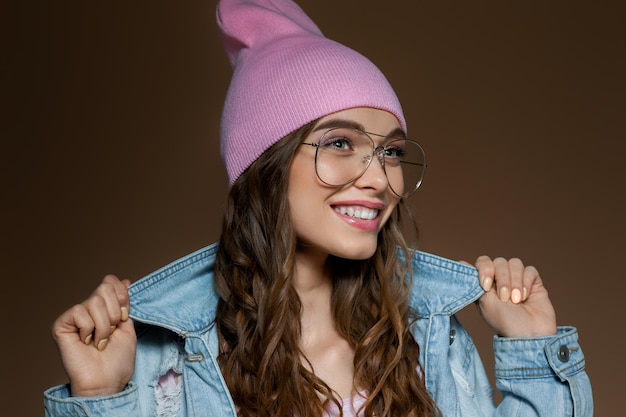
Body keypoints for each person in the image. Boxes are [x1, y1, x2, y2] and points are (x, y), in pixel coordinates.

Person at [43, 0, 593, 416]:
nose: (378, 178)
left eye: (392, 152)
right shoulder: (163, 360)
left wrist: (532, 352)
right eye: (339, 143)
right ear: (265, 165)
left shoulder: (430, 342)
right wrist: (98, 397)